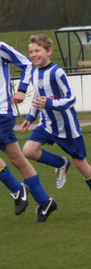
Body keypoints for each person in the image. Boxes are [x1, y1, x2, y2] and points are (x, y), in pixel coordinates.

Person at [21, 34, 91, 217]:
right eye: (31, 51)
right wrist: (30, 116)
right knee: (28, 150)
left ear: (49, 51)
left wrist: (50, 103)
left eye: (37, 50)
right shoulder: (34, 73)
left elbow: (71, 98)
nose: (34, 54)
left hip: (67, 128)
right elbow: (37, 97)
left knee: (81, 163)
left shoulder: (57, 72)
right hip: (47, 124)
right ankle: (61, 163)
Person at [0, 41, 57, 222]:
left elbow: (26, 63)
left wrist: (22, 90)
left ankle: (18, 191)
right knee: (18, 160)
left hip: (2, 113)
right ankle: (45, 202)